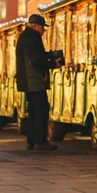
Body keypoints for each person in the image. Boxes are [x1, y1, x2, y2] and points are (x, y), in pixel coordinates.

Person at [16, 14, 62, 151]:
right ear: (35, 26)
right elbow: (35, 60)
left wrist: (49, 55)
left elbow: (36, 55)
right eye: (43, 27)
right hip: (33, 80)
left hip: (28, 80)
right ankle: (40, 141)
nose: (44, 30)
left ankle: (32, 141)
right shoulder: (31, 38)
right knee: (42, 109)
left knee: (33, 111)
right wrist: (53, 63)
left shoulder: (25, 37)